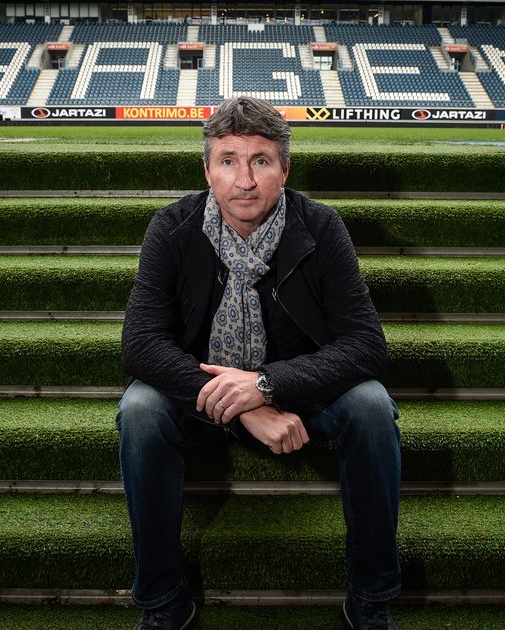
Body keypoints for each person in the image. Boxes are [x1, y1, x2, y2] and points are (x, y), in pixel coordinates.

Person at [117, 96, 402, 630]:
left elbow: (366, 344)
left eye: (261, 161)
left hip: (299, 395)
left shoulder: (321, 226)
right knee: (139, 410)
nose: (244, 180)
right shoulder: (172, 227)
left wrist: (268, 385)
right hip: (199, 396)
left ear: (284, 170)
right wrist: (246, 405)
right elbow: (141, 344)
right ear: (207, 171)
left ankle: (371, 596)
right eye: (228, 161)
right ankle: (163, 601)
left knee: (370, 405)